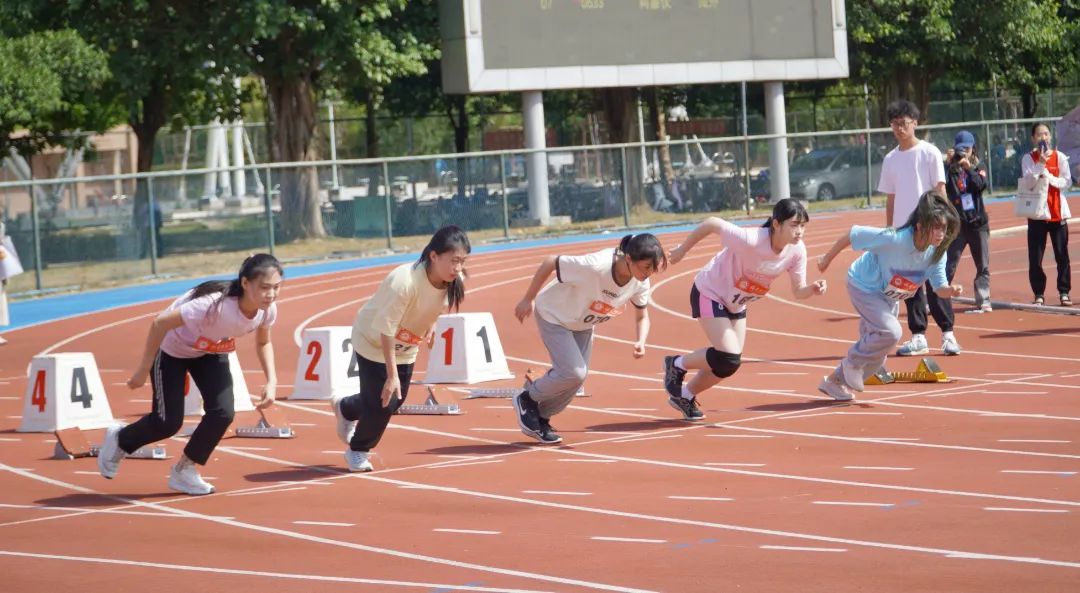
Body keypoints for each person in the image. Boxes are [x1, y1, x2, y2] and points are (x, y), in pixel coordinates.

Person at [98, 254, 283, 495]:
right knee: (167, 423)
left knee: (223, 413)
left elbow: (263, 342)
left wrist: (272, 381)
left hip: (210, 351)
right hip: (171, 350)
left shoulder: (267, 311)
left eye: (276, 287)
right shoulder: (212, 306)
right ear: (246, 283)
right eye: (265, 287)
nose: (271, 294)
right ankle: (120, 438)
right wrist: (143, 369)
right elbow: (159, 323)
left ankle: (184, 470)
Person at [662, 199, 827, 419]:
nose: (800, 232)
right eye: (795, 225)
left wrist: (812, 289)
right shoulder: (752, 239)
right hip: (710, 292)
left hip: (738, 302)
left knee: (729, 364)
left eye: (803, 226)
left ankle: (685, 395)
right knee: (729, 354)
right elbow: (712, 223)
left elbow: (799, 291)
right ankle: (676, 364)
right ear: (776, 224)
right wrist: (683, 250)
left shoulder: (797, 251)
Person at [331, 226, 470, 470]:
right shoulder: (404, 282)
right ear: (434, 256)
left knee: (393, 400)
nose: (458, 268)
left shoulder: (453, 280)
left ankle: (346, 407)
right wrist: (392, 375)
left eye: (462, 261)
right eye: (454, 261)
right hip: (374, 340)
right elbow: (386, 329)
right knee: (384, 402)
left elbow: (436, 303)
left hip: (406, 344)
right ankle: (358, 451)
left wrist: (431, 324)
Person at [512, 233, 665, 443]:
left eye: (654, 269)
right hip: (554, 315)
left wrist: (641, 340)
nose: (648, 274)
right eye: (646, 267)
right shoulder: (595, 266)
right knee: (574, 372)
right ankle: (526, 398)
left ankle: (541, 416)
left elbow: (642, 316)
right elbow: (550, 262)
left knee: (578, 378)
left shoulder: (640, 282)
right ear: (629, 258)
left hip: (583, 324)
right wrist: (527, 299)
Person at [816, 192, 962, 401]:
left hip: (888, 296)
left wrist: (951, 290)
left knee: (878, 357)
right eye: (936, 227)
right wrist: (826, 260)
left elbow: (939, 288)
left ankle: (833, 382)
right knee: (892, 332)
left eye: (944, 228)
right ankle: (851, 363)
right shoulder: (895, 239)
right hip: (864, 285)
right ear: (920, 226)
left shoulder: (937, 253)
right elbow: (853, 234)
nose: (941, 234)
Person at [877, 100, 955, 357]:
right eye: (895, 124)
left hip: (931, 228)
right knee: (909, 284)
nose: (899, 128)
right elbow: (890, 197)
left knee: (937, 280)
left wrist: (942, 224)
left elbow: (940, 190)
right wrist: (890, 229)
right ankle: (918, 335)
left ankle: (948, 334)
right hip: (905, 233)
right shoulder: (890, 159)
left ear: (915, 123)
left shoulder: (929, 152)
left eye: (904, 123)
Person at [1021, 122, 1073, 307]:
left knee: (1062, 255)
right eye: (1039, 134)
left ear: (1050, 136)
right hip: (1037, 214)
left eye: (1046, 134)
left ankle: (1064, 292)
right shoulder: (1028, 158)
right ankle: (1039, 293)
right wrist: (1040, 164)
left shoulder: (1060, 157)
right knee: (1035, 257)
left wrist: (1050, 178)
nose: (1043, 137)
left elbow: (1067, 181)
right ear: (1033, 138)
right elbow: (1028, 183)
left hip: (1057, 213)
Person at [943, 131, 992, 312]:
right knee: (949, 263)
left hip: (977, 223)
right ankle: (939, 298)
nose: (963, 153)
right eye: (960, 149)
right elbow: (940, 185)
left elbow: (981, 185)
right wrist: (948, 164)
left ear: (973, 149)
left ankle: (983, 299)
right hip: (957, 224)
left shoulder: (979, 166)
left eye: (967, 149)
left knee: (982, 264)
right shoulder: (950, 168)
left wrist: (968, 168)